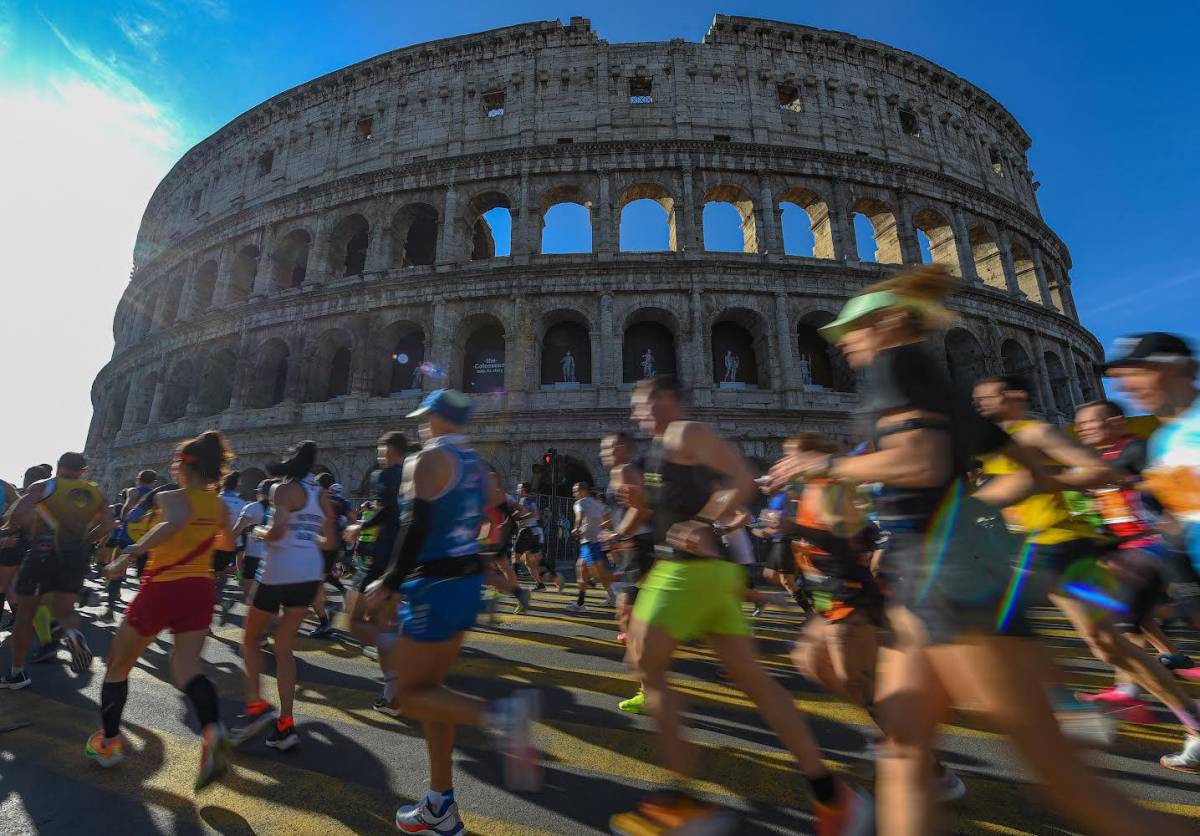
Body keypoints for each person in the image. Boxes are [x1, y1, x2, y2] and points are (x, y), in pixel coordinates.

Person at [769, 264, 1188, 836]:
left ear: (890, 323)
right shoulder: (941, 384)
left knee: (1065, 784)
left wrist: (830, 467)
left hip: (948, 586)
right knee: (904, 752)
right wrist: (978, 505)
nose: (845, 344)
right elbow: (1030, 469)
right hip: (936, 576)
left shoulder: (899, 367)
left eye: (854, 331)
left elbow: (920, 462)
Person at [615, 375, 868, 834]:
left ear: (668, 400)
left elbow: (742, 477)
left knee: (645, 666)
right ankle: (830, 795)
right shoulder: (663, 445)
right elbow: (696, 496)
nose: (636, 413)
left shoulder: (683, 432)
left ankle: (682, 803)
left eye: (642, 403)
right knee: (756, 683)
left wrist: (703, 523)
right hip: (709, 576)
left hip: (686, 572)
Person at [974, 374, 1200, 769]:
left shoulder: (1036, 433)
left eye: (986, 396)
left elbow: (1100, 472)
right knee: (1105, 643)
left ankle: (1077, 720)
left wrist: (1042, 482)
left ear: (1015, 396)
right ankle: (1175, 718)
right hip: (1037, 547)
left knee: (1084, 637)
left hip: (1061, 545)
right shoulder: (995, 442)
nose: (978, 402)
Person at [364, 389, 539, 834]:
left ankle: (502, 718)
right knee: (434, 692)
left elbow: (414, 524)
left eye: (426, 417)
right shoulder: (477, 466)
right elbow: (489, 524)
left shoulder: (426, 460)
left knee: (405, 695)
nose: (422, 425)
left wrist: (390, 581)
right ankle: (440, 803)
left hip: (433, 585)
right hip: (464, 583)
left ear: (441, 419)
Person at [85, 432, 235, 792]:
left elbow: (175, 522)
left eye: (175, 462)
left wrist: (129, 554)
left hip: (163, 587)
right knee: (187, 670)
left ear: (185, 465)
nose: (172, 467)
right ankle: (213, 731)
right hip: (199, 589)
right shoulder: (220, 506)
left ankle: (108, 742)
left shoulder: (171, 497)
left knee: (118, 665)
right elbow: (227, 545)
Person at [1105, 331, 1200, 771]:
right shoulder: (1163, 439)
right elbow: (1173, 515)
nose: (1126, 385)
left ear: (1177, 370)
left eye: (1138, 374)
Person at [231, 442, 336, 752]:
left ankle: (255, 707)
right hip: (309, 572)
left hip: (279, 570)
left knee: (250, 641)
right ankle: (286, 725)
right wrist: (307, 539)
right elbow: (329, 540)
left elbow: (275, 534)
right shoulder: (322, 494)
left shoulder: (282, 489)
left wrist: (258, 532)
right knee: (284, 649)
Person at [1, 453, 111, 689]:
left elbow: (20, 513)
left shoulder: (44, 486)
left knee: (25, 613)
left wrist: (32, 532)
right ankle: (73, 633)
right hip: (76, 556)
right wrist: (87, 540)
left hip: (43, 553)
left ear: (60, 467)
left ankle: (17, 673)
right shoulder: (94, 492)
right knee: (64, 609)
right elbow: (109, 524)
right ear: (83, 471)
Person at [600, 432, 656, 714]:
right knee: (629, 616)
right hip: (633, 548)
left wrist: (617, 536)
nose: (602, 453)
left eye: (607, 448)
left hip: (640, 547)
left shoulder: (624, 470)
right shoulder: (618, 472)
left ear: (622, 449)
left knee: (628, 615)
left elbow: (641, 509)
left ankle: (649, 688)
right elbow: (622, 508)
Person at [310, 472, 353, 638]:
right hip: (335, 545)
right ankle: (333, 600)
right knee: (323, 577)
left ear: (318, 484)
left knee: (314, 582)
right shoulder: (341, 500)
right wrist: (346, 531)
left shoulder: (318, 498)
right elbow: (352, 517)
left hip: (319, 543)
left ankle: (325, 620)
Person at [567, 482, 616, 613]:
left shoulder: (580, 503)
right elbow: (608, 521)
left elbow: (579, 516)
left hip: (590, 543)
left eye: (575, 491)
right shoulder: (598, 504)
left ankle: (622, 588)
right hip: (593, 542)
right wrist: (597, 528)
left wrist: (576, 528)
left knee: (598, 574)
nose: (574, 494)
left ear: (582, 491)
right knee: (581, 569)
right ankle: (580, 603)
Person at [214, 471, 247, 623]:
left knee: (211, 576)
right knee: (221, 573)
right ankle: (220, 598)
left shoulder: (216, 500)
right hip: (233, 542)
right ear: (237, 485)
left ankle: (219, 600)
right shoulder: (242, 504)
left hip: (215, 543)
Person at [232, 480, 272, 602]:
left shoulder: (252, 507)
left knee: (248, 597)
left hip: (254, 555)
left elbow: (237, 530)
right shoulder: (281, 510)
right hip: (273, 557)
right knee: (267, 599)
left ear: (260, 493)